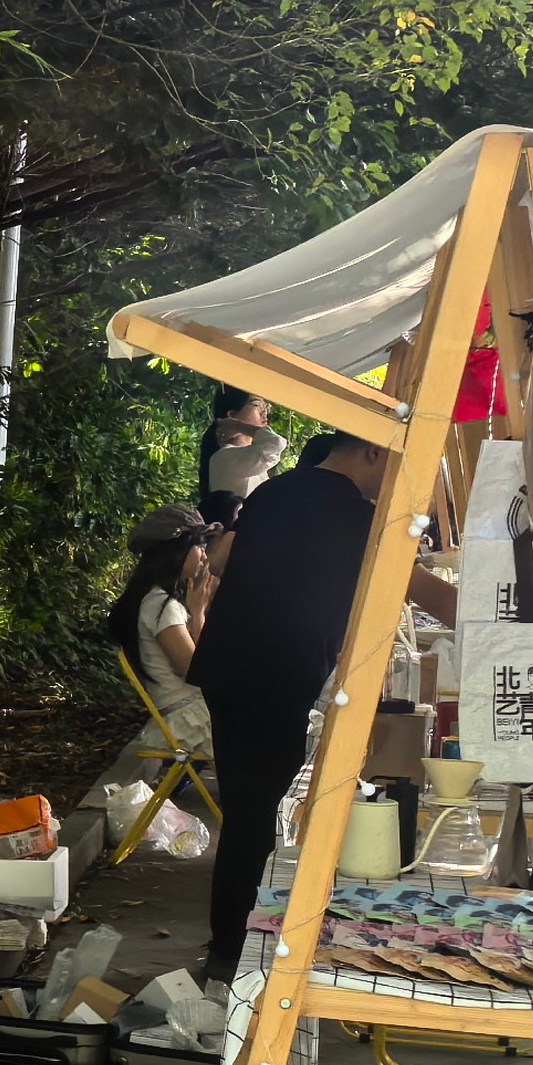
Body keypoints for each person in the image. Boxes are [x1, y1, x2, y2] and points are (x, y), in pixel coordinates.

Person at [185, 429, 454, 986]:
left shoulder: (275, 490)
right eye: (397, 463)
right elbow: (425, 591)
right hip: (276, 671)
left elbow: (229, 561)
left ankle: (231, 943)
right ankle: (234, 952)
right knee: (258, 815)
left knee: (247, 810)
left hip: (230, 665)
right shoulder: (355, 514)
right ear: (374, 450)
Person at [106, 504, 216, 756]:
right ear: (179, 550)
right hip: (188, 718)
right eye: (200, 546)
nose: (204, 556)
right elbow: (195, 670)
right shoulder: (159, 604)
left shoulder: (159, 600)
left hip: (191, 710)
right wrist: (198, 613)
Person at [198, 392, 283, 523]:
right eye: (256, 405)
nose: (264, 413)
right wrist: (238, 426)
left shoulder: (245, 458)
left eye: (266, 407)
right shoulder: (223, 457)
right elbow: (275, 443)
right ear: (232, 416)